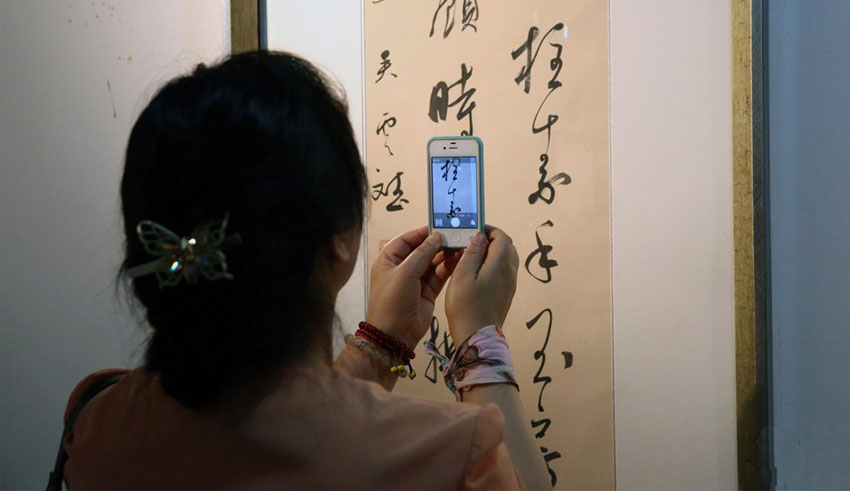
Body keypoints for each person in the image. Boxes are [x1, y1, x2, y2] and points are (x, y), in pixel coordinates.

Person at [61, 51, 551, 489]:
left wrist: (383, 342)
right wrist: (480, 340)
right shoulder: (451, 455)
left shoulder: (96, 421)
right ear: (337, 237)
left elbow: (293, 416)